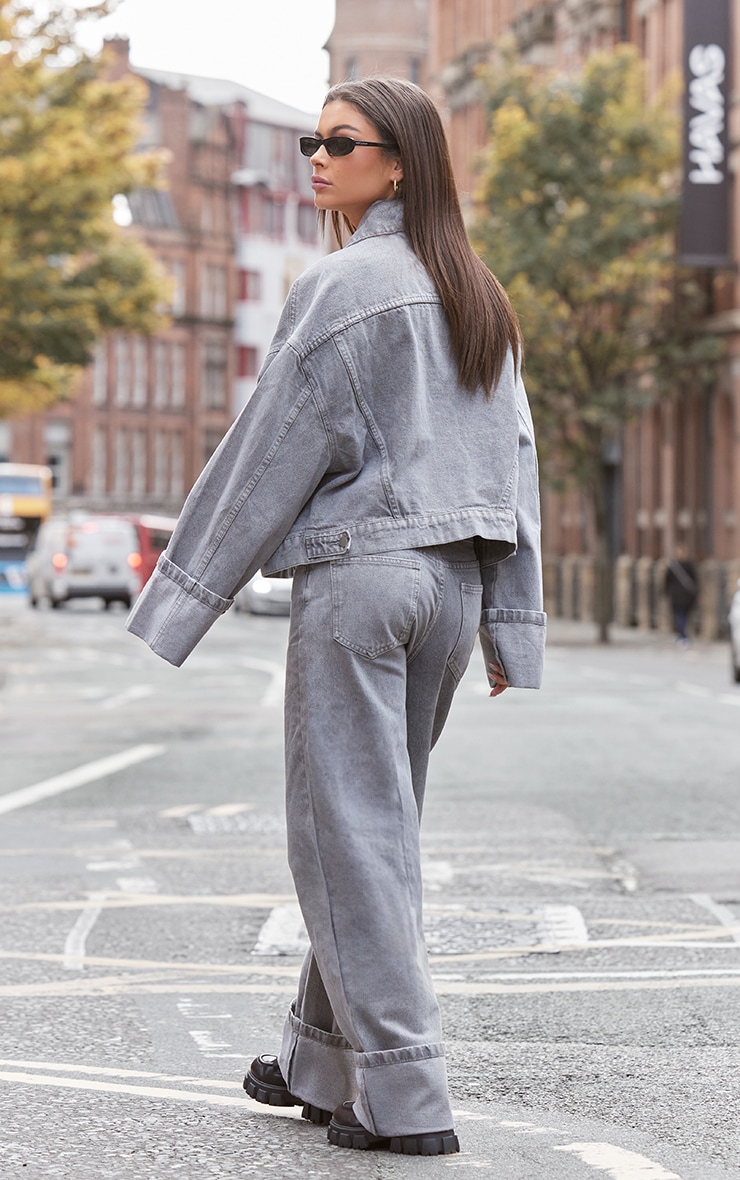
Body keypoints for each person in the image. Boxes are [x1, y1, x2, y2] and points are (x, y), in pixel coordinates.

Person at [127, 76, 546, 1157]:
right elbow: (514, 458)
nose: (315, 157)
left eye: (339, 142)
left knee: (345, 836)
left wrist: (182, 597)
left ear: (398, 161)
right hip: (448, 590)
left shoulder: (344, 283)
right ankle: (322, 1060)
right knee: (375, 830)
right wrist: (510, 615)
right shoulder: (473, 288)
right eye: (312, 139)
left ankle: (404, 1090)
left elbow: (270, 448)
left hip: (362, 583)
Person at [664, 544, 698, 646]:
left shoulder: (674, 566)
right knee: (683, 616)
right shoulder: (687, 566)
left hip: (679, 597)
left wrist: (666, 593)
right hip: (686, 596)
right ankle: (683, 635)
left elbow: (666, 582)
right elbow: (695, 581)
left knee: (680, 616)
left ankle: (682, 636)